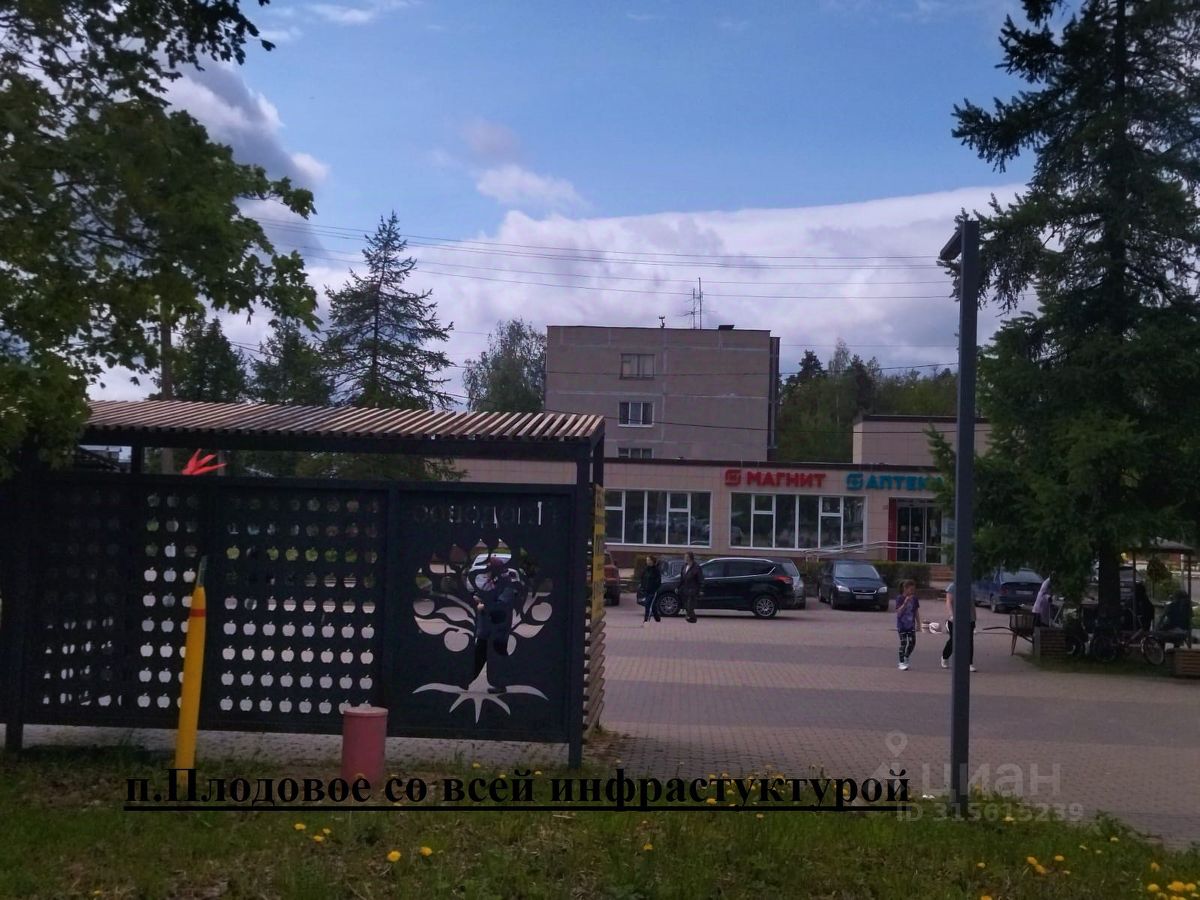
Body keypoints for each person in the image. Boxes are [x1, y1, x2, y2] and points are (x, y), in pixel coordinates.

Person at [471, 556, 522, 690]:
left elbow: (501, 605)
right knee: (480, 653)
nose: (486, 571)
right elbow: (484, 594)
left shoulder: (506, 584)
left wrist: (483, 606)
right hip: (487, 628)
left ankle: (501, 683)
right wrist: (477, 598)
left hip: (498, 628)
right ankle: (467, 678)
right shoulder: (492, 582)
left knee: (497, 655)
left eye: (489, 569)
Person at [940, 582, 976, 672]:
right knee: (954, 640)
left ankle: (969, 663)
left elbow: (972, 604)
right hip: (955, 619)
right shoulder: (953, 587)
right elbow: (948, 601)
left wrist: (974, 618)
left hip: (969, 619)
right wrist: (951, 615)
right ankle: (945, 656)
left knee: (969, 641)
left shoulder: (970, 587)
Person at [895, 579, 921, 670]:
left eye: (914, 590)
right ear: (905, 589)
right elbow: (898, 612)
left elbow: (916, 611)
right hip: (902, 625)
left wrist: (918, 623)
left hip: (911, 625)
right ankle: (901, 662)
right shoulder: (900, 598)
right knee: (904, 643)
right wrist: (905, 603)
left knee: (912, 642)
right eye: (911, 590)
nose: (912, 592)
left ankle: (906, 656)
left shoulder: (914, 599)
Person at [679, 552, 704, 624]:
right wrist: (678, 587)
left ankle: (691, 617)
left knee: (690, 605)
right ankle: (693, 618)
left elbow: (701, 579)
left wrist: (701, 589)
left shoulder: (696, 567)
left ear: (690, 558)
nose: (685, 558)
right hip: (685, 589)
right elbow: (682, 578)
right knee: (686, 605)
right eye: (684, 557)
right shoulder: (684, 566)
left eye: (686, 557)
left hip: (693, 589)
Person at [640, 554, 662, 624]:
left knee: (648, 605)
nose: (647, 561)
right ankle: (657, 618)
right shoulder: (646, 569)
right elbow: (642, 578)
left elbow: (658, 581)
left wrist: (655, 589)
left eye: (649, 560)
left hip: (653, 591)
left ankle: (646, 621)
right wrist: (642, 587)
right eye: (647, 560)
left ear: (652, 561)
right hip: (646, 591)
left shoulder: (656, 570)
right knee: (652, 605)